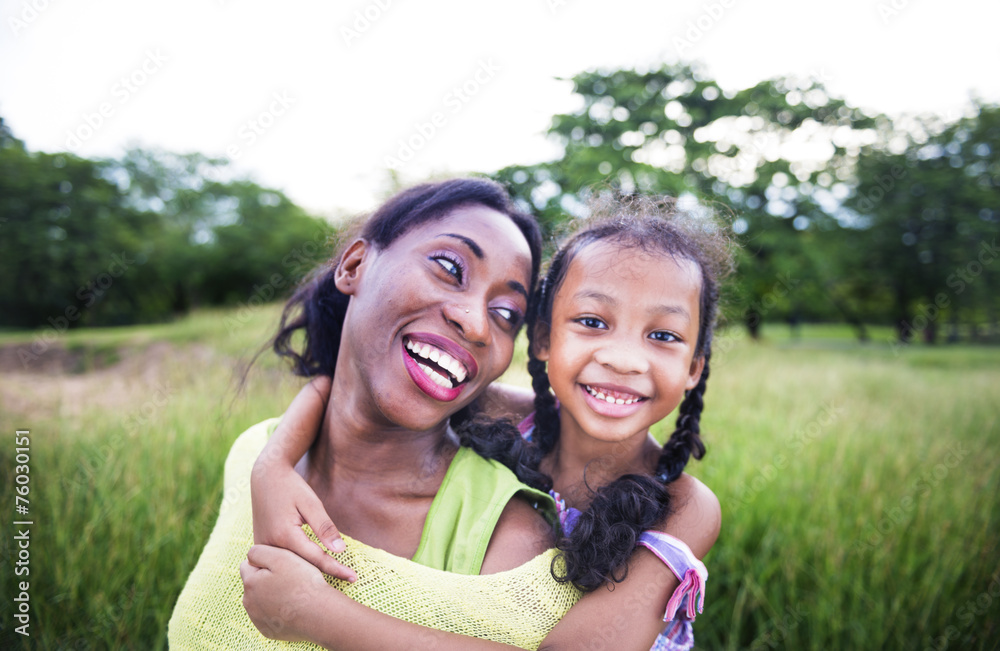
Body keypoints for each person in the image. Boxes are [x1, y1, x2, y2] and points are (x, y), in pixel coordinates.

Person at [243, 194, 731, 650]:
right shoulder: (504, 412)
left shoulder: (685, 504)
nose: (625, 360)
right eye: (592, 322)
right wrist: (272, 465)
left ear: (694, 368)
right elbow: (343, 385)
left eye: (663, 334)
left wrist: (317, 613)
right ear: (541, 339)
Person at [168, 178, 585, 649]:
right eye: (450, 267)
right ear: (355, 265)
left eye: (507, 313)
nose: (475, 322)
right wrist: (273, 459)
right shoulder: (254, 454)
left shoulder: (507, 540)